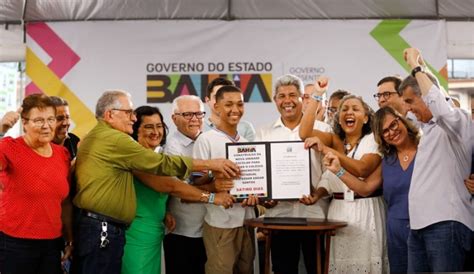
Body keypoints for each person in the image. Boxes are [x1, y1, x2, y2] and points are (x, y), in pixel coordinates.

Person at [72, 90, 238, 273]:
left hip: (125, 229)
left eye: (159, 126)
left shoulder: (107, 138)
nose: (133, 118)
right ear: (110, 115)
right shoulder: (118, 142)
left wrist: (165, 210)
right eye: (129, 113)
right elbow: (168, 181)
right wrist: (212, 175)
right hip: (113, 229)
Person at [299, 78, 388, 273]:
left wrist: (326, 149)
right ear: (338, 118)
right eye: (344, 109)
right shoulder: (334, 138)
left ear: (365, 117)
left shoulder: (373, 138)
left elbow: (362, 169)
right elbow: (304, 132)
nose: (349, 112)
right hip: (337, 210)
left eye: (355, 109)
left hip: (367, 211)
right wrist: (316, 94)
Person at [399, 48, 473, 272]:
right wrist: (423, 69)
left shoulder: (458, 122)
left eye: (411, 101)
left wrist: (417, 67)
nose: (408, 109)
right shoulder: (426, 127)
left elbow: (439, 105)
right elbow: (432, 100)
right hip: (419, 226)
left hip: (447, 224)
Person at [323, 106, 420, 273]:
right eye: (385, 131)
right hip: (396, 230)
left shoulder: (425, 148)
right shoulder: (387, 160)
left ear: (402, 120)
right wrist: (338, 170)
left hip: (426, 227)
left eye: (394, 125)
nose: (392, 132)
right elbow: (365, 188)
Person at [255, 74, 329, 274]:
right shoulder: (264, 133)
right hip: (280, 216)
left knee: (317, 269)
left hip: (315, 215)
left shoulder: (322, 129)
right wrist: (265, 198)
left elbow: (330, 171)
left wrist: (318, 193)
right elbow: (259, 174)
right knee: (283, 269)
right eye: (281, 96)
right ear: (275, 100)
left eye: (292, 95)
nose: (287, 101)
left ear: (302, 98)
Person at [0, 94, 73, 274]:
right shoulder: (9, 147)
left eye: (50, 119)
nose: (46, 126)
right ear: (24, 123)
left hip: (52, 244)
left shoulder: (62, 154)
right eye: (38, 120)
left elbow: (64, 203)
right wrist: (1, 129)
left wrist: (69, 240)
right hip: (15, 244)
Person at [194, 85, 258, 274]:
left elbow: (254, 181)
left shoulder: (247, 144)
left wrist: (256, 195)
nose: (235, 110)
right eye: (228, 104)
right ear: (216, 106)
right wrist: (214, 181)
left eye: (240, 104)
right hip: (220, 222)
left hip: (246, 221)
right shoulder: (205, 140)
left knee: (246, 270)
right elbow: (194, 183)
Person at [163, 95, 208, 274]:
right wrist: (215, 187)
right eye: (188, 114)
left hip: (209, 230)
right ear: (174, 119)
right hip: (182, 232)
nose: (195, 119)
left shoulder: (209, 139)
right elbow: (183, 190)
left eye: (199, 114)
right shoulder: (171, 148)